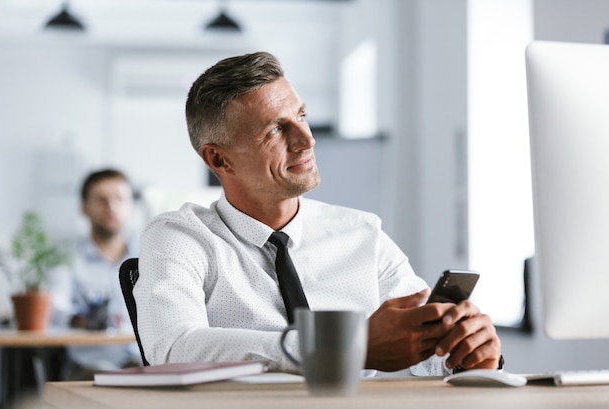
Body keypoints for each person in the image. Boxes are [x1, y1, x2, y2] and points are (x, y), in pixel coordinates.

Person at [134, 52, 502, 375]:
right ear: (218, 158)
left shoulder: (362, 234)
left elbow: (421, 350)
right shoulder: (180, 237)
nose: (307, 139)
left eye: (302, 116)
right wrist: (342, 347)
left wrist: (463, 353)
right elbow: (172, 349)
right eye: (277, 129)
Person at [51, 168, 142, 377]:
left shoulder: (149, 253)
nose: (111, 207)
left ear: (130, 206)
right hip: (89, 365)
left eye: (119, 199)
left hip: (141, 360)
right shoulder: (67, 257)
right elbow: (55, 307)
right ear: (84, 208)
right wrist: (83, 319)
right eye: (101, 200)